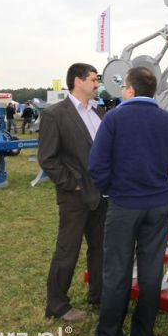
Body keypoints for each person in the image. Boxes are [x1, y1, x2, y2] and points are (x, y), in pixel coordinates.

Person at [76, 67, 168, 336]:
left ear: (129, 90)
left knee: (117, 273)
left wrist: (113, 190)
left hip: (125, 206)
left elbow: (97, 165)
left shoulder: (113, 118)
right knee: (151, 273)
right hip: (158, 205)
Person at [38, 63, 107, 322]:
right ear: (78, 81)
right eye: (93, 79)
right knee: (68, 250)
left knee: (100, 248)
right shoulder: (55, 114)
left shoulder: (98, 113)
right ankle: (57, 305)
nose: (97, 83)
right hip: (75, 196)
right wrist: (73, 184)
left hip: (102, 194)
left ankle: (98, 295)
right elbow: (47, 158)